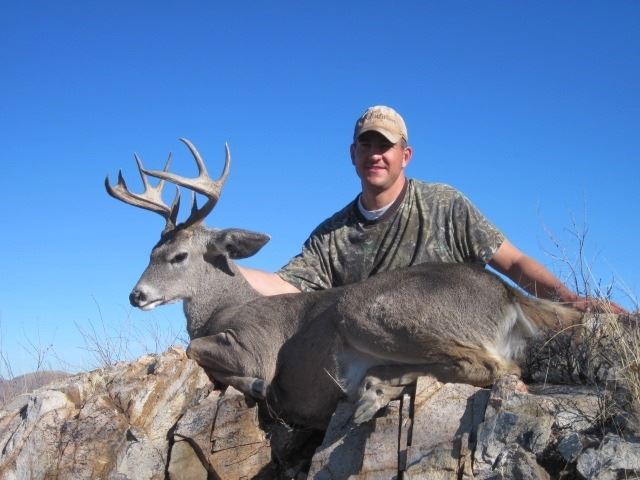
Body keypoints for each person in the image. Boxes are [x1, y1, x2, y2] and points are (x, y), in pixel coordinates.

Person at [238, 105, 624, 313]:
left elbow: (513, 263)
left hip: (464, 339)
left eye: (385, 146)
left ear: (405, 155)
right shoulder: (331, 235)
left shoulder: (445, 204)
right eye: (366, 145)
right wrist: (216, 266)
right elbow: (285, 287)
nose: (375, 154)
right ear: (352, 154)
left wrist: (570, 301)